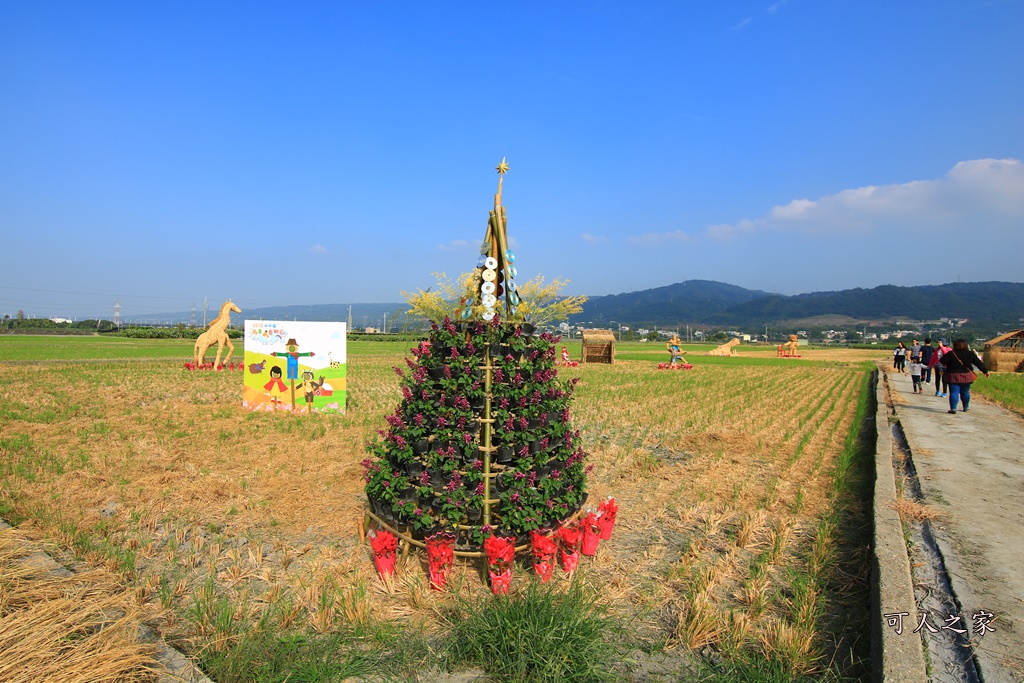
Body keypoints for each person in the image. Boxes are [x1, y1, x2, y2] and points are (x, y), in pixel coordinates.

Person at [940, 339, 989, 413]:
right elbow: (978, 363)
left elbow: (942, 361)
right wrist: (985, 371)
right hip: (966, 375)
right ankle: (965, 407)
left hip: (953, 375)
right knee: (965, 392)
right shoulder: (970, 354)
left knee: (954, 392)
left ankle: (953, 408)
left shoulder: (951, 353)